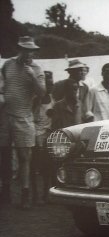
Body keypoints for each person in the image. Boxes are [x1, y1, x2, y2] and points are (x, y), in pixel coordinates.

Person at [0, 36, 46, 208]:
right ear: (19, 49)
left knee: (24, 156)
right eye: (25, 49)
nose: (28, 53)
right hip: (5, 116)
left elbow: (42, 94)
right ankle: (5, 192)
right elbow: (3, 84)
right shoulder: (8, 65)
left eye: (31, 50)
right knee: (4, 155)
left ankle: (25, 195)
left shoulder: (36, 69)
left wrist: (33, 77)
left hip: (24, 118)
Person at [31, 71, 54, 204]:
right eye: (47, 83)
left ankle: (46, 195)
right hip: (36, 135)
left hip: (48, 136)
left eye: (51, 83)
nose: (50, 86)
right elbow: (32, 117)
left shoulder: (52, 98)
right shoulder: (36, 99)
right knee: (34, 167)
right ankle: (35, 195)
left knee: (47, 168)